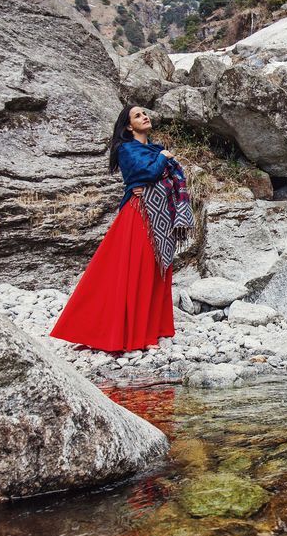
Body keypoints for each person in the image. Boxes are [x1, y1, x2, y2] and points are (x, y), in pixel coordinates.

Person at [51, 105, 190, 353]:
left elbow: (168, 179)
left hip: (161, 215)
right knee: (138, 271)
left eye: (145, 114)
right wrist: (162, 160)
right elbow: (145, 173)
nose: (144, 117)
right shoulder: (127, 149)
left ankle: (152, 331)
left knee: (156, 271)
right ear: (128, 126)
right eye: (137, 116)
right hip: (139, 215)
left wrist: (156, 177)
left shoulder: (155, 149)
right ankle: (133, 335)